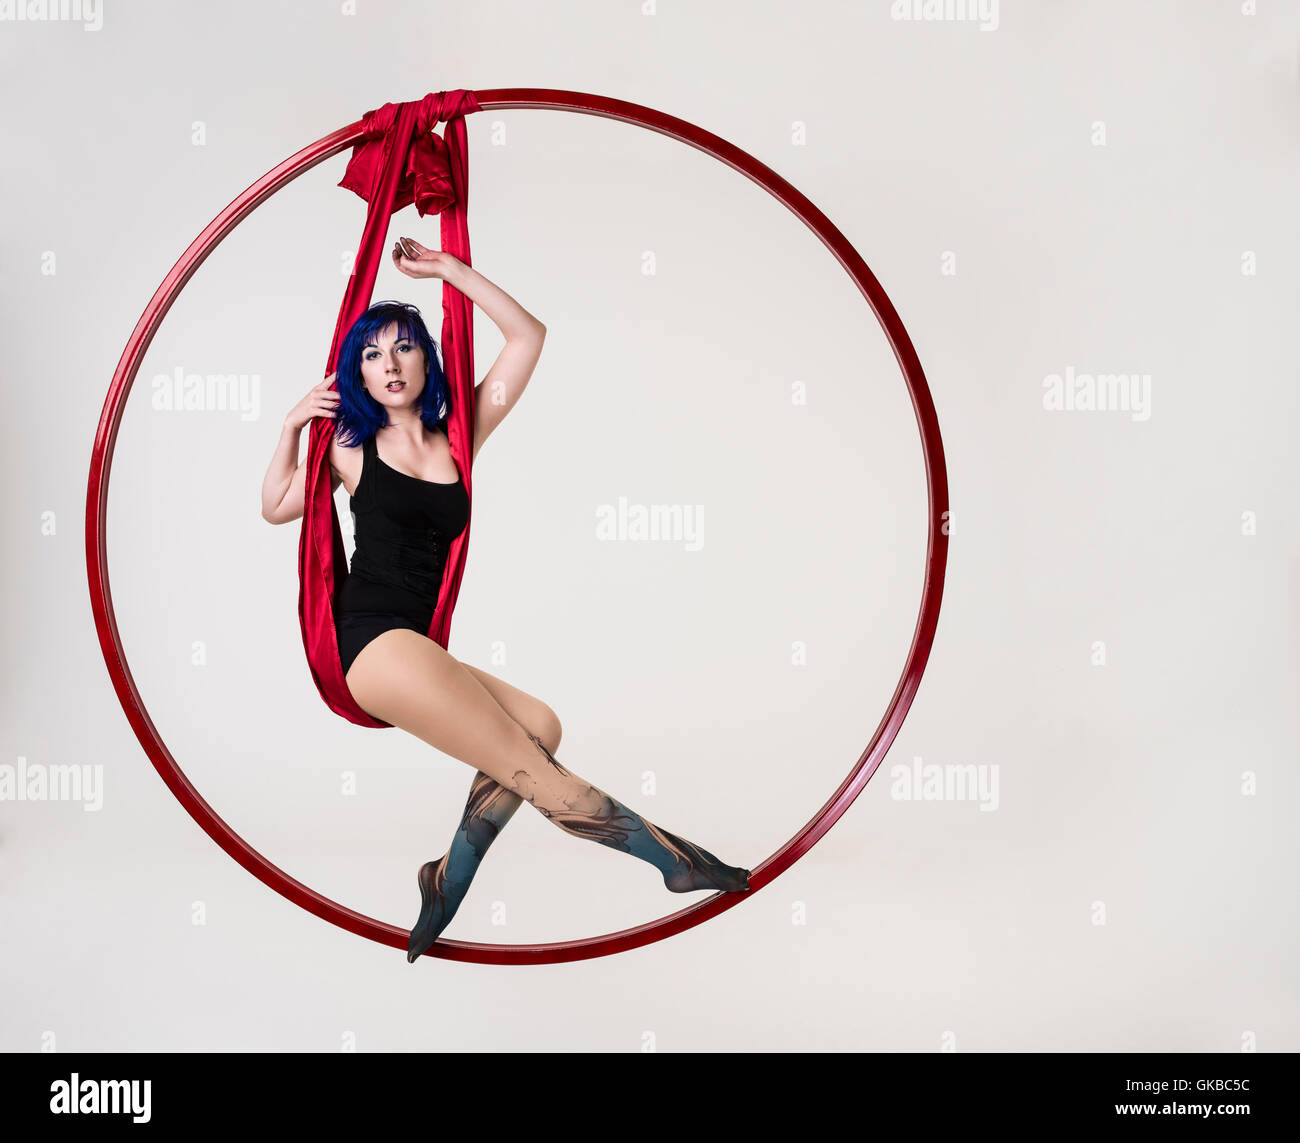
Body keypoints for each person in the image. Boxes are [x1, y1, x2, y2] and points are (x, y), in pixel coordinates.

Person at [261, 237, 751, 963]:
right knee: (534, 772)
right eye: (372, 354)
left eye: (403, 349)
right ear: (356, 372)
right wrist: (291, 428)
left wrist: (451, 271)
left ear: (426, 358)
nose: (389, 364)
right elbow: (276, 507)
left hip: (417, 645)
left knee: (541, 726)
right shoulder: (347, 448)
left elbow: (528, 337)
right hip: (370, 643)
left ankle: (446, 877)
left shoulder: (459, 435)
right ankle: (674, 859)